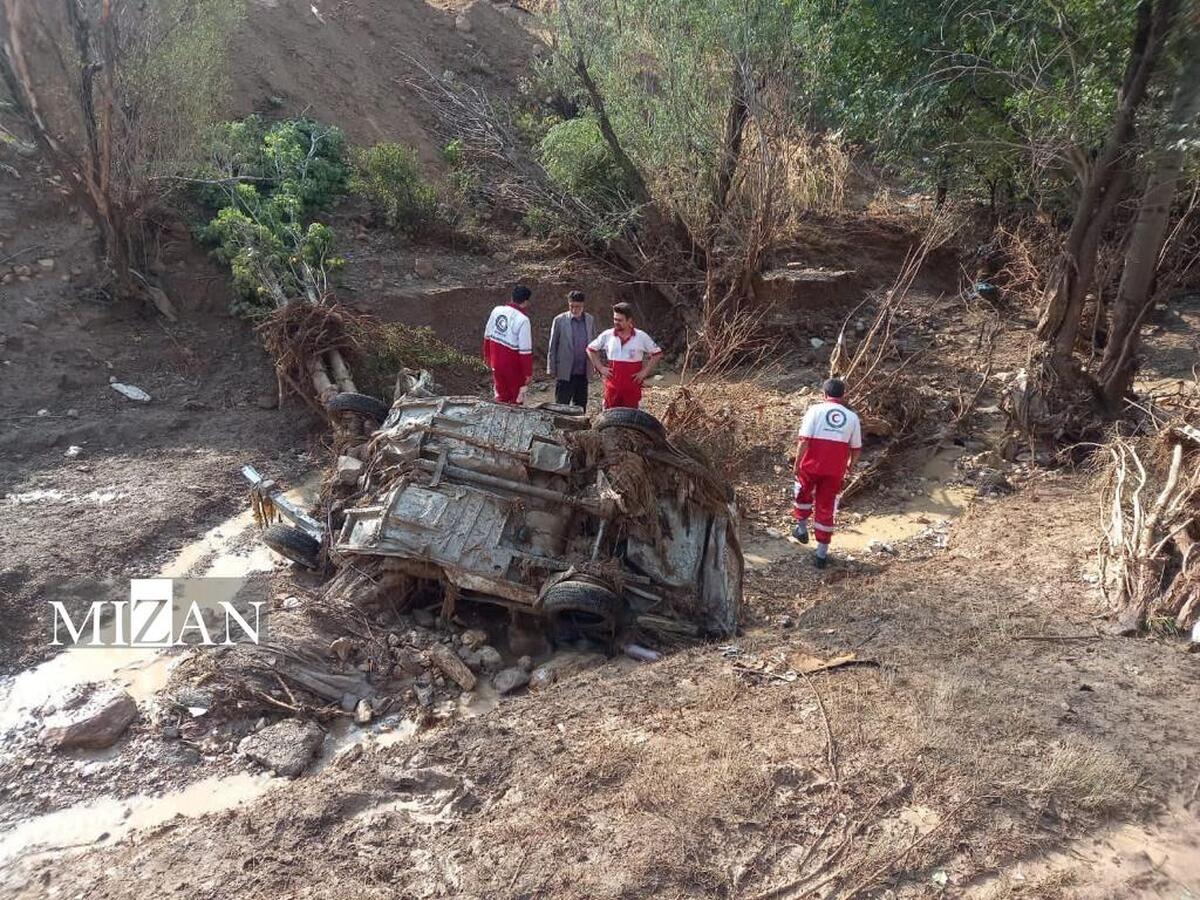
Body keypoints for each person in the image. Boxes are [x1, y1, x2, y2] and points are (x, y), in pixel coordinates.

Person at [791, 378, 862, 569]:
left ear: (824, 394)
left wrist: (797, 463)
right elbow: (856, 448)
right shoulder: (852, 417)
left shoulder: (814, 411)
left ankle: (801, 528)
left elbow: (804, 440)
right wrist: (849, 466)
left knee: (803, 493)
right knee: (827, 505)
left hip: (811, 465)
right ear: (844, 395)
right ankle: (821, 554)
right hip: (835, 470)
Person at [586, 301, 662, 410]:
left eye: (620, 320)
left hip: (632, 391)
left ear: (629, 320)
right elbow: (590, 349)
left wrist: (644, 372)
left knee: (632, 422)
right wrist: (600, 367)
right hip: (612, 390)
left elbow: (657, 354)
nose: (616, 322)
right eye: (615, 319)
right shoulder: (607, 335)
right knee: (610, 420)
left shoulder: (641, 336)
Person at [482, 285, 534, 404]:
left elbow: (487, 335)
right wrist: (528, 372)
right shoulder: (523, 320)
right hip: (513, 366)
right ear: (526, 302)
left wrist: (487, 356)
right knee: (516, 398)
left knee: (500, 395)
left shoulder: (497, 310)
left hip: (496, 362)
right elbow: (525, 351)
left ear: (512, 297)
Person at [546, 290, 596, 409]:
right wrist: (551, 368)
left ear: (583, 305)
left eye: (577, 307)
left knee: (580, 406)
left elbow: (594, 343)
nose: (574, 310)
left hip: (583, 371)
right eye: (571, 306)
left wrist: (595, 365)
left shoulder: (589, 320)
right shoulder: (559, 320)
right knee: (562, 405)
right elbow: (552, 345)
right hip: (565, 371)